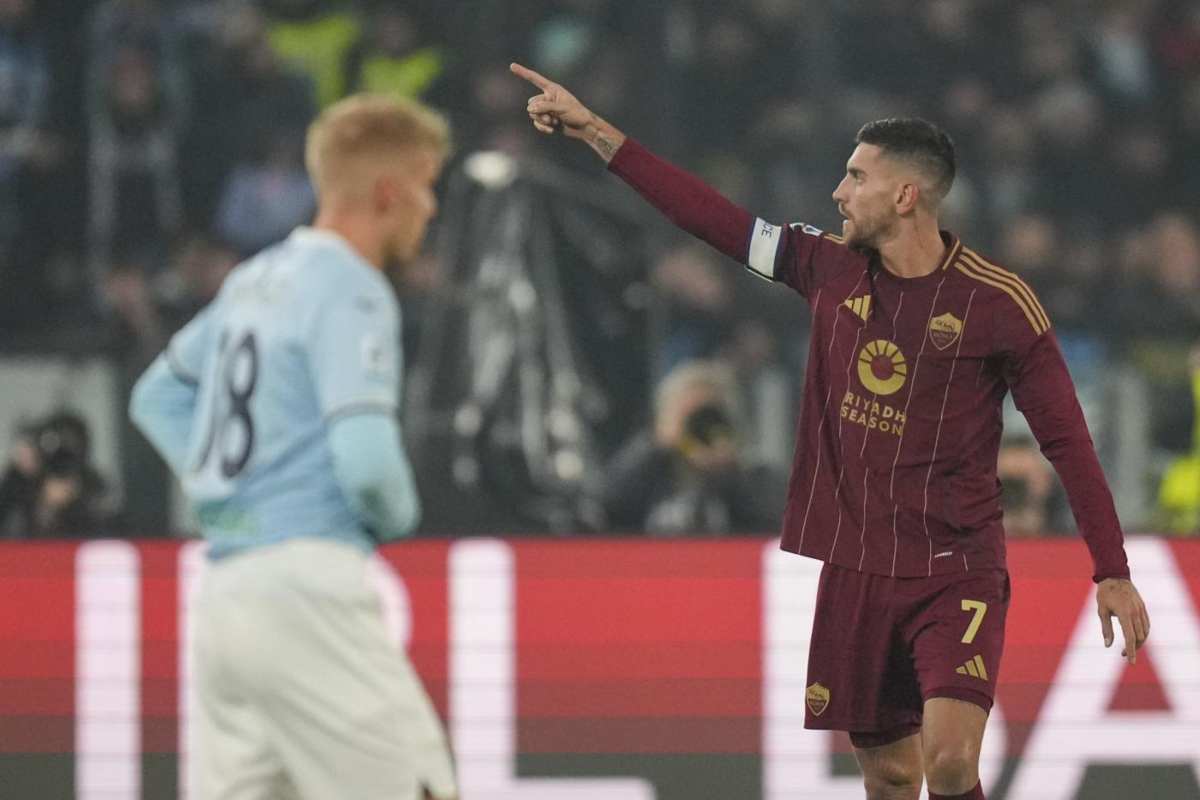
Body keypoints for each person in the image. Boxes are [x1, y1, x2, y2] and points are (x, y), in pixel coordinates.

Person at [511, 62, 1151, 800]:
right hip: (854, 565)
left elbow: (1067, 440)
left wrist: (1111, 569)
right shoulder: (825, 266)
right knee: (889, 777)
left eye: (855, 177)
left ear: (906, 195)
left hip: (956, 565)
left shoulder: (999, 305)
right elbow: (709, 217)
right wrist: (596, 132)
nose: (838, 193)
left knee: (948, 765)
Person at [129, 94, 457, 800]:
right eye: (427, 187)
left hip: (223, 593)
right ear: (387, 192)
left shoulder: (253, 280)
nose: (431, 209)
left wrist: (235, 499)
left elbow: (155, 398)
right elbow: (369, 467)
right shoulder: (353, 288)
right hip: (307, 590)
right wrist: (397, 519)